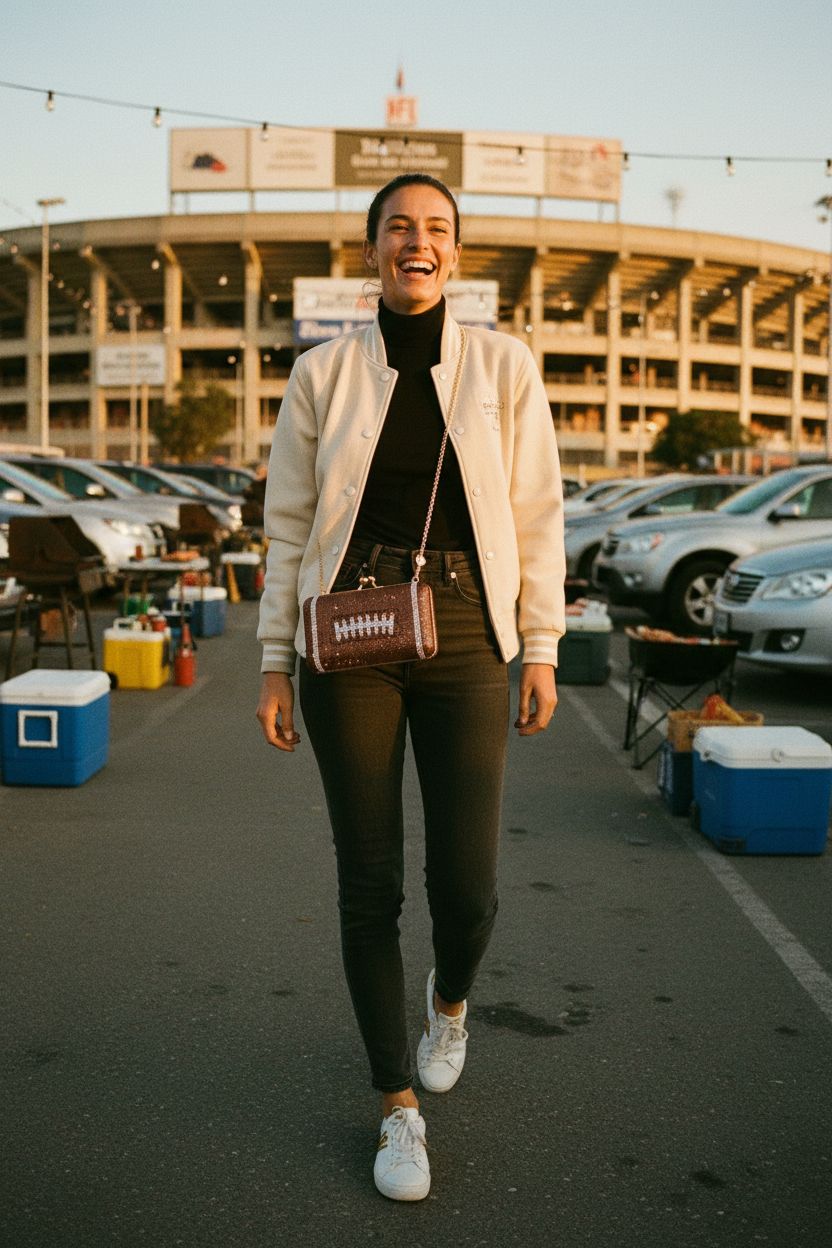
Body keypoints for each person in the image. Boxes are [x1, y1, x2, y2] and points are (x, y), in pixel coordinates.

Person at [256, 173, 565, 1201]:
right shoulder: (324, 373)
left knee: (466, 888)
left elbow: (535, 515)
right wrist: (269, 657)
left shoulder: (504, 365)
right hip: (348, 633)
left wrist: (542, 643)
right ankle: (396, 1107)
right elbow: (288, 525)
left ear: (456, 253)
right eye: (398, 228)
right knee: (368, 880)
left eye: (435, 228)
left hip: (469, 624)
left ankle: (451, 1002)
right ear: (372, 248)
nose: (416, 243)